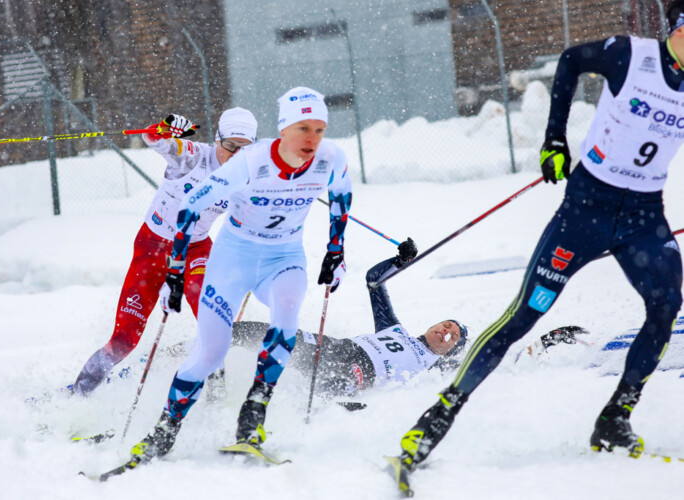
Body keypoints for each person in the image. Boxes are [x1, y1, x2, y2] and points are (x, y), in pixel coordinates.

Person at [392, 3, 684, 480]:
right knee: (522, 317)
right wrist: (554, 141)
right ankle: (434, 420)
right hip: (584, 213)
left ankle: (614, 420)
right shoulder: (632, 55)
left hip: (643, 219)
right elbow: (569, 60)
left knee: (666, 306)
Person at [123, 86, 352, 468]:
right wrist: (175, 272)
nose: (311, 139)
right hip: (233, 258)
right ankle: (164, 431)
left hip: (284, 256)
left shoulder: (331, 158)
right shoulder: (251, 161)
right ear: (283, 130)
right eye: (302, 128)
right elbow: (192, 205)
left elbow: (342, 199)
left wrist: (336, 252)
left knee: (287, 319)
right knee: (211, 352)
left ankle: (252, 419)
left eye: (319, 129)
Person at [71, 108, 258, 396]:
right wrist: (165, 127)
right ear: (217, 140)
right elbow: (153, 138)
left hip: (196, 248)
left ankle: (217, 396)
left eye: (244, 149)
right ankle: (79, 393)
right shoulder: (194, 156)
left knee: (213, 319)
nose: (235, 155)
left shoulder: (247, 170)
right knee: (124, 339)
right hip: (153, 249)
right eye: (230, 146)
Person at [228, 238, 470, 398]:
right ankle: (206, 347)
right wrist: (400, 262)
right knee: (275, 336)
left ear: (449, 351)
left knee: (334, 388)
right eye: (446, 325)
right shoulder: (395, 330)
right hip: (334, 348)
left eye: (453, 337)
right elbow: (374, 280)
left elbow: (472, 369)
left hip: (359, 372)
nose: (445, 331)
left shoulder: (435, 366)